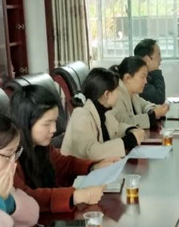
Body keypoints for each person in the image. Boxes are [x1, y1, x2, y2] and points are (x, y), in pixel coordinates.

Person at [11, 85, 119, 213]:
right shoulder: (9, 156)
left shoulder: (40, 146)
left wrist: (93, 167)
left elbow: (64, 165)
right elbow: (23, 198)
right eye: (47, 124)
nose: (54, 129)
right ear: (26, 123)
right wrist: (76, 196)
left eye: (55, 121)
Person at [61, 68, 146, 160]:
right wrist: (127, 142)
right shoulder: (81, 115)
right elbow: (90, 153)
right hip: (79, 169)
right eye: (118, 90)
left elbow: (117, 128)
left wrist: (130, 130)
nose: (119, 94)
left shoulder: (104, 110)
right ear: (107, 94)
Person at [110, 56, 169, 130]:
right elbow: (125, 122)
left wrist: (153, 110)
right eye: (142, 77)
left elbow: (144, 105)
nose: (145, 81)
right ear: (127, 78)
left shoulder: (133, 93)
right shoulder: (116, 95)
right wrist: (154, 115)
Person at [134, 38, 165, 104]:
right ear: (147, 59)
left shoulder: (148, 75)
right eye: (158, 55)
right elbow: (159, 99)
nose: (161, 59)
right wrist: (156, 71)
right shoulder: (139, 78)